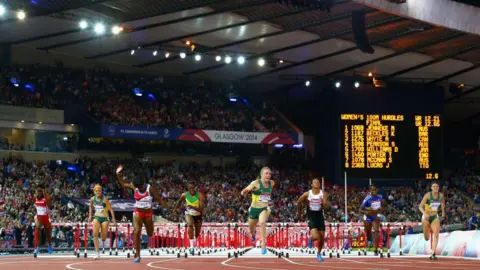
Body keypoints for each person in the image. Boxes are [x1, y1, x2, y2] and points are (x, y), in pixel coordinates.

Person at [116, 164, 168, 263]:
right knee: (136, 232)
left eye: (141, 187)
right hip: (137, 213)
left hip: (148, 214)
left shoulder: (150, 188)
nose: (141, 189)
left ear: (144, 184)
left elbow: (159, 199)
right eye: (138, 188)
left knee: (150, 233)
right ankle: (138, 255)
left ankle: (139, 249)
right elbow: (123, 183)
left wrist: (166, 206)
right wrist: (118, 175)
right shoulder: (135, 187)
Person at [240, 167, 275, 255]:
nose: (268, 175)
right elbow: (247, 189)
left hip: (264, 208)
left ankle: (263, 244)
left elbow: (267, 195)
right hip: (254, 210)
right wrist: (245, 191)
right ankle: (253, 233)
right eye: (266, 173)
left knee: (262, 222)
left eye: (269, 173)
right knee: (251, 229)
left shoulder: (272, 183)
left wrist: (268, 202)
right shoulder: (255, 183)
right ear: (261, 174)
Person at [296, 178, 328, 262]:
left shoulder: (323, 193)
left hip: (320, 215)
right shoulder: (307, 194)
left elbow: (324, 207)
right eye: (315, 182)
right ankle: (311, 238)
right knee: (316, 237)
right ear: (312, 185)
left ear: (320, 184)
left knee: (322, 238)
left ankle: (319, 253)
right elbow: (299, 202)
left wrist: (322, 203)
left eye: (318, 182)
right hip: (311, 215)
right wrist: (299, 213)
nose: (316, 183)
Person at [172, 182, 205, 254]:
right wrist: (174, 209)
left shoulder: (200, 196)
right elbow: (179, 201)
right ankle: (192, 247)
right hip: (189, 213)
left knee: (197, 233)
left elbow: (201, 209)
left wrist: (192, 206)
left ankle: (195, 242)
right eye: (190, 188)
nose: (192, 189)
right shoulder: (184, 195)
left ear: (195, 187)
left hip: (198, 214)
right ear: (188, 189)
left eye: (193, 188)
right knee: (190, 225)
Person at [88, 185, 117, 259]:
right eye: (96, 191)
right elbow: (90, 206)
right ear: (94, 192)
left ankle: (101, 231)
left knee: (103, 238)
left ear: (101, 191)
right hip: (97, 217)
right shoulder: (92, 199)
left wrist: (113, 219)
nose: (98, 192)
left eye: (99, 191)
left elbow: (110, 209)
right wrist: (90, 215)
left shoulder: (104, 200)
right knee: (94, 234)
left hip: (104, 218)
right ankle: (97, 253)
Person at [419, 182, 445, 260]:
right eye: (434, 186)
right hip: (426, 217)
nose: (435, 188)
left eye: (437, 186)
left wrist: (443, 212)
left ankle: (433, 253)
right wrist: (424, 213)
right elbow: (420, 206)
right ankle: (427, 230)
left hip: (434, 216)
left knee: (436, 234)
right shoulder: (427, 195)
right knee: (426, 238)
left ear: (438, 187)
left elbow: (443, 202)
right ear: (431, 188)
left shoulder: (441, 195)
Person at [360, 184, 384, 255]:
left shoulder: (380, 197)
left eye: (375, 190)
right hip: (368, 217)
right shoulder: (367, 198)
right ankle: (369, 239)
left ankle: (376, 250)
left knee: (377, 231)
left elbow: (382, 206)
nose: (374, 191)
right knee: (368, 232)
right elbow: (360, 209)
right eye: (372, 190)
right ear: (370, 191)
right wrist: (366, 212)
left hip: (376, 217)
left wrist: (382, 208)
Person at [34, 186, 53, 254]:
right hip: (39, 216)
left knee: (48, 233)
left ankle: (50, 245)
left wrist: (46, 196)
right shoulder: (35, 198)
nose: (39, 193)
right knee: (37, 230)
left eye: (40, 191)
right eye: (38, 191)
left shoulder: (46, 197)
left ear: (43, 192)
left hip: (46, 217)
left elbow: (50, 205)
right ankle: (37, 247)